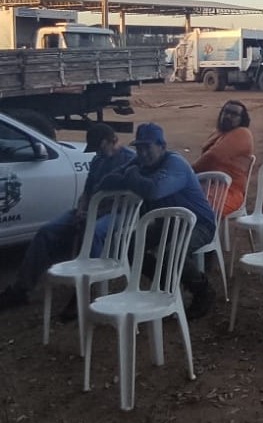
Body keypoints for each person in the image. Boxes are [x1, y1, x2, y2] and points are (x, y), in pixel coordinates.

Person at [0, 124, 135, 313]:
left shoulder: (129, 161)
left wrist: (95, 211)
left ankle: (85, 290)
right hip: (89, 209)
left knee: (94, 233)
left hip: (115, 212)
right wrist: (81, 209)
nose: (97, 152)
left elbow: (129, 198)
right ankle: (22, 288)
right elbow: (87, 191)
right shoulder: (98, 160)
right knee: (47, 231)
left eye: (99, 147)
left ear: (110, 141)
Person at [97, 123, 218, 319]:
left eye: (148, 147)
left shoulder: (175, 164)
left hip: (197, 223)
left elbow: (153, 190)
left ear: (162, 146)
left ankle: (202, 290)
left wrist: (131, 175)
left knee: (170, 253)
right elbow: (107, 181)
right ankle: (165, 284)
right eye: (139, 148)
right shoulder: (139, 163)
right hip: (167, 224)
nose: (143, 153)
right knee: (127, 244)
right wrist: (132, 173)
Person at [193, 100, 255, 217]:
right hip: (207, 186)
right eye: (226, 112)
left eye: (234, 114)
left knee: (192, 206)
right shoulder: (218, 133)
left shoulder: (242, 133)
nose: (228, 116)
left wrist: (188, 172)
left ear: (242, 119)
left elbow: (212, 157)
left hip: (228, 192)